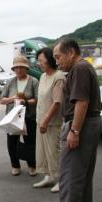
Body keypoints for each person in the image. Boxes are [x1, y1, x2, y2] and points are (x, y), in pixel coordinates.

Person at [47, 38, 102, 202]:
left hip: (82, 124)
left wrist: (74, 130)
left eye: (58, 56)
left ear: (71, 52)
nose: (57, 61)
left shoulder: (79, 69)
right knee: (83, 173)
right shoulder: (84, 68)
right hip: (91, 123)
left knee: (70, 174)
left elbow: (81, 102)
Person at [0, 55, 39, 176]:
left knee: (30, 142)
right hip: (13, 117)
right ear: (14, 69)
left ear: (26, 68)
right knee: (12, 142)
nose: (19, 70)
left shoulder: (33, 81)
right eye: (16, 68)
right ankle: (15, 165)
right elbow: (1, 100)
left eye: (21, 67)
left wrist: (25, 101)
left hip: (29, 116)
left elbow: (37, 99)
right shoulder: (10, 82)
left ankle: (32, 165)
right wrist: (13, 98)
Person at [34, 48, 65, 193]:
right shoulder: (43, 76)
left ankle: (60, 179)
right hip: (41, 121)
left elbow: (57, 102)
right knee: (43, 151)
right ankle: (48, 176)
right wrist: (41, 120)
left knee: (54, 152)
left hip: (52, 122)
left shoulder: (58, 77)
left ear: (49, 60)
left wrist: (46, 120)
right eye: (38, 60)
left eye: (41, 60)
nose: (39, 63)